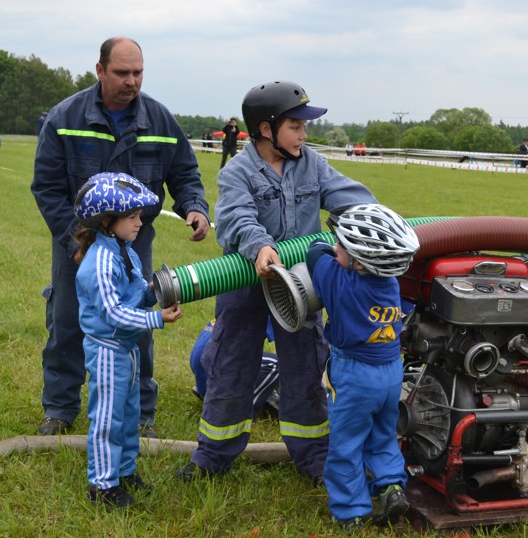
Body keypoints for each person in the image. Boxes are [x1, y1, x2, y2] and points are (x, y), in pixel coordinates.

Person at [177, 80, 377, 484]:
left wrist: (377, 224)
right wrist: (260, 247)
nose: (305, 134)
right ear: (266, 130)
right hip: (246, 280)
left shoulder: (312, 164)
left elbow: (352, 197)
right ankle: (213, 455)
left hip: (301, 285)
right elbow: (235, 217)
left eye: (304, 126)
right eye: (296, 126)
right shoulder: (238, 171)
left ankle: (314, 457)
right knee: (232, 363)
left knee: (305, 365)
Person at [31, 36, 210, 438]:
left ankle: (141, 411)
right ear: (99, 71)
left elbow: (184, 173)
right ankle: (59, 409)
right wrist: (76, 243)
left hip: (133, 245)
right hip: (77, 246)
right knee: (67, 320)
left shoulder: (161, 122)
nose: (132, 81)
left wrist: (194, 207)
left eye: (138, 73)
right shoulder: (65, 118)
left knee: (137, 325)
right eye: (122, 73)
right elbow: (46, 188)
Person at [72, 172, 183, 509]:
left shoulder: (126, 251)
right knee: (108, 418)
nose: (139, 223)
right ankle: (102, 486)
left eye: (140, 217)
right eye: (132, 217)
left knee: (129, 411)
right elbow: (113, 314)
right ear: (108, 221)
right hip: (107, 350)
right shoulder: (99, 262)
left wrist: (154, 293)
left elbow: (133, 293)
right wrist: (156, 319)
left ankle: (124, 470)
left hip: (128, 349)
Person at [306, 204, 419, 529]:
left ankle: (351, 510)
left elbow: (316, 254)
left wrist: (328, 249)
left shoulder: (342, 284)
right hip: (390, 372)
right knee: (383, 435)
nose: (336, 247)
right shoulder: (391, 284)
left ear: (359, 261)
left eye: (342, 245)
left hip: (355, 375)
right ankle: (391, 487)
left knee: (346, 443)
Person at [190, 317, 280, 418]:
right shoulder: (268, 311)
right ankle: (239, 410)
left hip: (204, 370)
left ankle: (210, 394)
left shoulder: (233, 305)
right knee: (276, 365)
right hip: (217, 370)